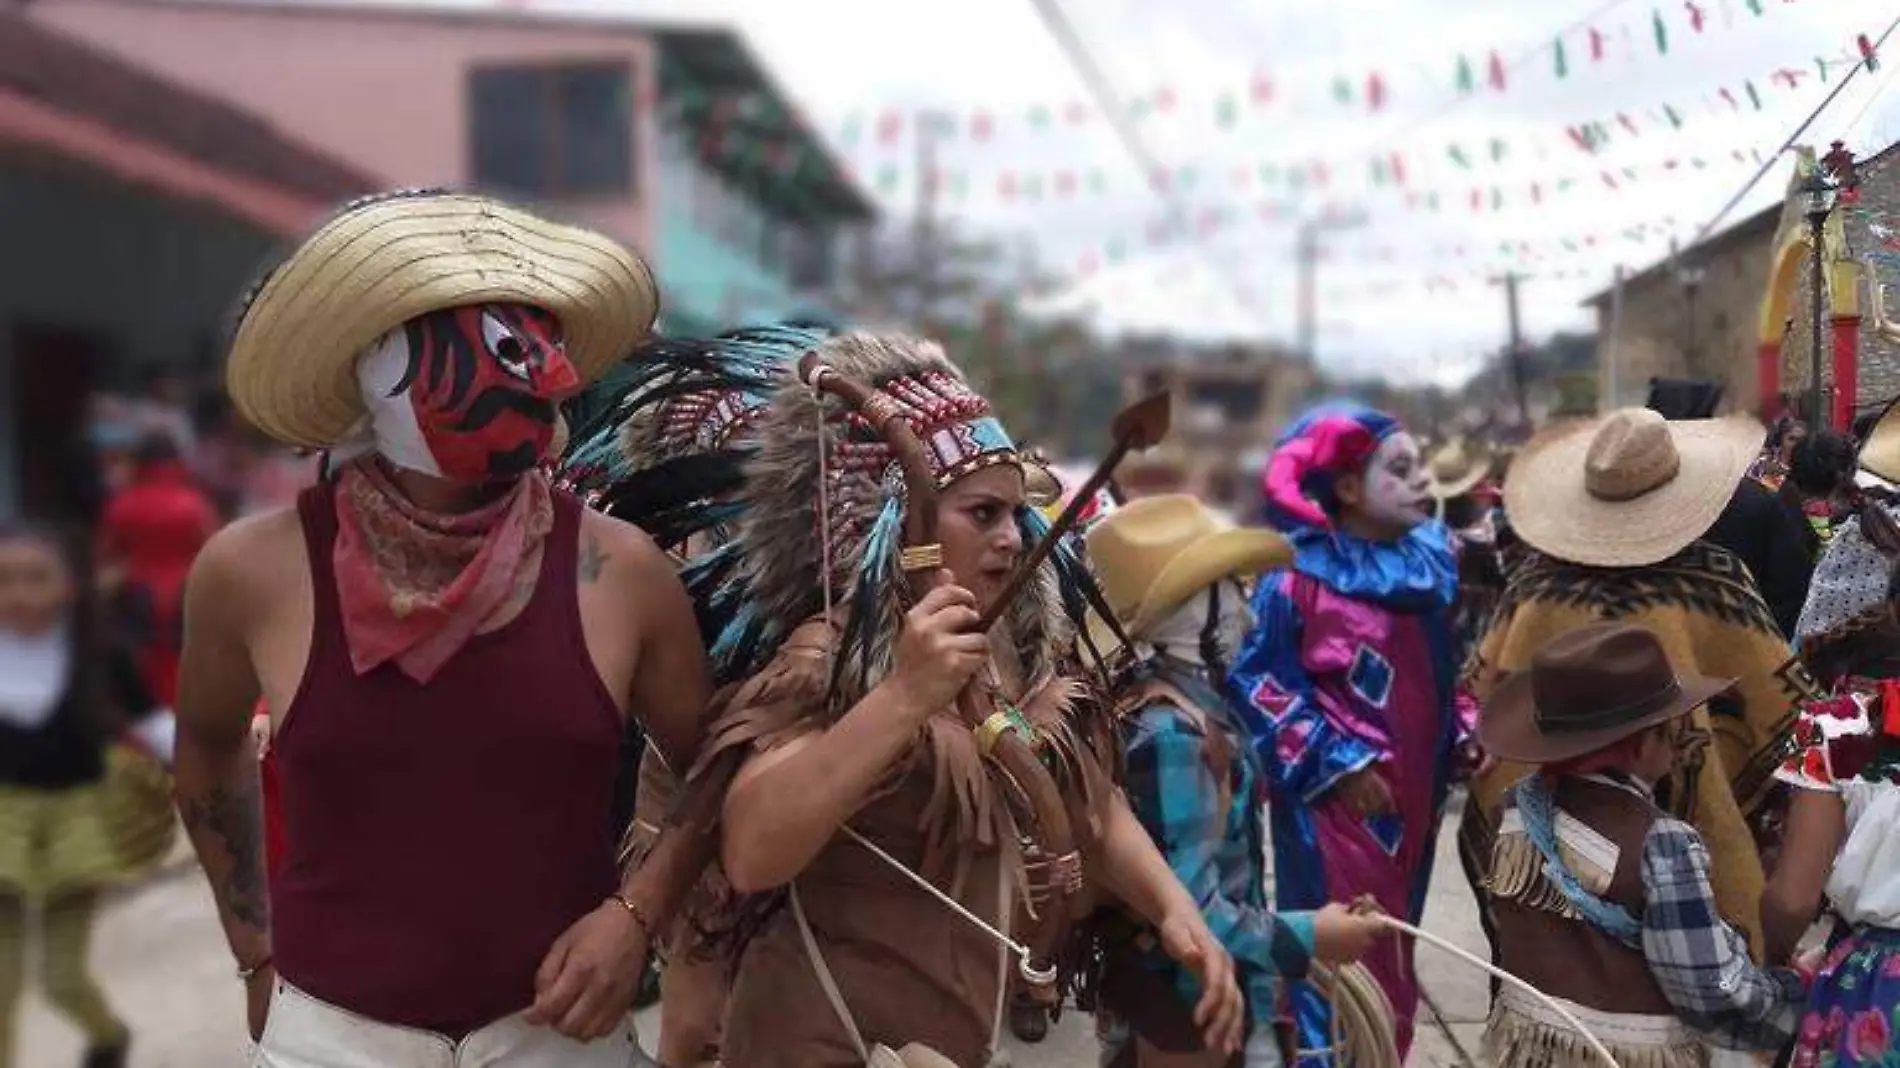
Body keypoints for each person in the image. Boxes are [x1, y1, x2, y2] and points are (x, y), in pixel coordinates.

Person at [596, 327, 1244, 1068]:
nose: (1012, 537)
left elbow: (1093, 804)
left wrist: (1173, 908)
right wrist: (903, 695)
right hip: (817, 1038)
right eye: (982, 514)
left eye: (1014, 513)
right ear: (897, 527)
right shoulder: (834, 651)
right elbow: (750, 848)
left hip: (952, 1038)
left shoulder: (1017, 645)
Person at [174, 189, 712, 1066]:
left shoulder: (623, 573)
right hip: (332, 1039)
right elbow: (204, 748)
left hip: (558, 1042)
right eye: (471, 340)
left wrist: (636, 914)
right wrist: (255, 954)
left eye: (530, 338)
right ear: (369, 370)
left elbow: (713, 767)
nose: (528, 372)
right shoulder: (253, 574)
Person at [1461, 409, 1812, 996]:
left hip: (1541, 823)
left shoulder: (1535, 584)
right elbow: (1783, 711)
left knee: (1551, 973)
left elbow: (1483, 701)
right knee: (1693, 981)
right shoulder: (1714, 581)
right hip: (1686, 826)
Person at [1083, 495, 1385, 1067]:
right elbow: (1193, 915)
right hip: (1189, 1005)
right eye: (1233, 593)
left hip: (1210, 996)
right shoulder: (1173, 734)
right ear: (1194, 613)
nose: (1248, 614)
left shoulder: (1194, 711)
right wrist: (1311, 936)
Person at [1228, 404, 1477, 1065]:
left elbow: (1442, 673)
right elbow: (1260, 684)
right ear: (1344, 488)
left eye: (1418, 464)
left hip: (1415, 801)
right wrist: (1340, 764)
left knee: (1396, 948)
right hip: (1340, 806)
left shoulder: (1423, 572)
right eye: (1399, 469)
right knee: (1347, 951)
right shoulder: (1293, 580)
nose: (1422, 480)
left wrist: (1464, 730)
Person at [1480, 622, 1808, 1068]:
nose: (1679, 744)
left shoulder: (1513, 809)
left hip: (1524, 1054)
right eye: (1671, 728)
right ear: (1638, 743)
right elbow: (1710, 994)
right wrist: (1794, 993)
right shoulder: (1663, 844)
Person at [0, 521, 176, 1068]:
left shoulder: (101, 654)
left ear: (69, 586)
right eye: (4, 579)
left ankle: (106, 1036)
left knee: (60, 978)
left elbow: (158, 727)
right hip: (1, 823)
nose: (20, 594)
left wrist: (213, 770)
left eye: (36, 578)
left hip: (79, 826)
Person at [95, 431, 220, 707]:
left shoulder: (122, 503)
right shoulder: (194, 502)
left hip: (136, 592)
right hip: (186, 590)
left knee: (140, 660)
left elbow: (106, 552)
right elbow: (213, 548)